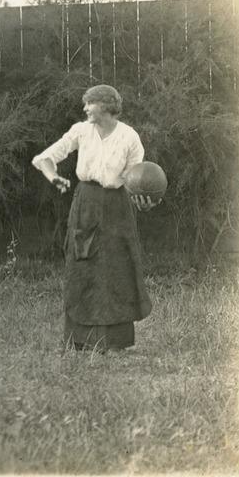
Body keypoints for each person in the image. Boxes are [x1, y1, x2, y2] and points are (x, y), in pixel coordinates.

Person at [32, 84, 158, 352]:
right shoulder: (81, 131)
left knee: (116, 270)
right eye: (85, 104)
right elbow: (45, 158)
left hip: (117, 208)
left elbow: (137, 180)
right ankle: (80, 340)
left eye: (90, 103)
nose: (85, 109)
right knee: (83, 265)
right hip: (85, 205)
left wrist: (144, 203)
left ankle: (115, 342)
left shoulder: (129, 137)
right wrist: (53, 177)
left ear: (106, 106)